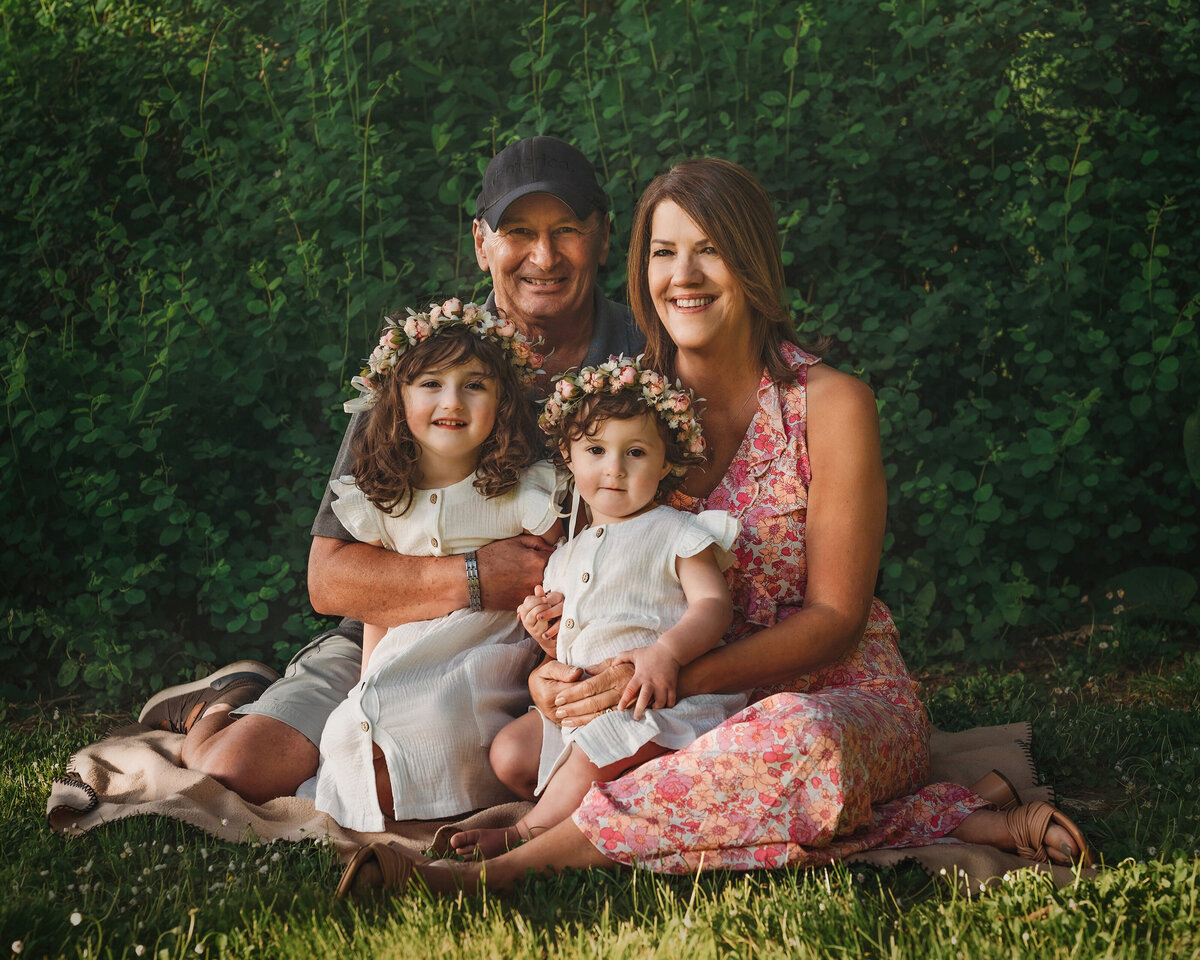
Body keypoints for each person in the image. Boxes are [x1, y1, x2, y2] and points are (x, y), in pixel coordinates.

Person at [334, 157, 1095, 898]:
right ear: (641, 269)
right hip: (664, 709)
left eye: (712, 251)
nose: (684, 275)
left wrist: (664, 680)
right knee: (519, 751)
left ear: (754, 264)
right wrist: (550, 673)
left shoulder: (829, 405)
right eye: (664, 252)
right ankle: (949, 814)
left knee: (804, 740)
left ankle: (503, 868)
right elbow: (585, 582)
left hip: (819, 694)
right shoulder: (619, 409)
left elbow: (835, 620)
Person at [138, 137, 644, 805]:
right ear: (480, 243)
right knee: (236, 772)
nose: (543, 258)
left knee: (481, 779)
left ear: (604, 238)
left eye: (567, 233)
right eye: (519, 232)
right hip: (397, 633)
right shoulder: (429, 371)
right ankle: (226, 701)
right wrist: (473, 576)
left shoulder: (649, 360)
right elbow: (329, 577)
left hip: (568, 647)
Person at [450, 357, 745, 858]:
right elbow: (571, 638)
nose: (613, 468)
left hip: (652, 701)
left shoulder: (677, 532)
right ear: (568, 455)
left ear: (666, 462)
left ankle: (529, 834)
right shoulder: (565, 553)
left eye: (634, 452)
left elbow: (715, 606)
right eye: (595, 450)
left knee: (592, 751)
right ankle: (612, 796)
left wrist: (667, 652)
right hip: (585, 705)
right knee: (510, 753)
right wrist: (545, 634)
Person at [312, 300, 562, 831]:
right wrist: (367, 686)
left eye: (474, 385)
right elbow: (376, 609)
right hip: (405, 649)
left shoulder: (523, 493)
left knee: (441, 719)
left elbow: (560, 575)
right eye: (430, 383)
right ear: (398, 399)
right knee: (349, 728)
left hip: (486, 657)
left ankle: (440, 802)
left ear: (503, 401)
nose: (452, 401)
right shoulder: (384, 500)